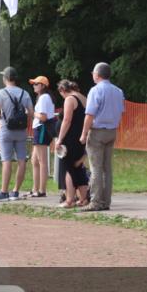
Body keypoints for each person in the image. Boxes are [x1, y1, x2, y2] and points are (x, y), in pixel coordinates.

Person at [80, 62, 125, 212]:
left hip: (97, 131)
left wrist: (84, 133)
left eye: (93, 73)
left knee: (96, 168)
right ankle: (106, 201)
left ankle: (96, 201)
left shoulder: (95, 90)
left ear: (97, 75)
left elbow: (90, 115)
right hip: (112, 131)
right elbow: (121, 111)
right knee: (107, 168)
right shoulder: (118, 91)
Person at [0, 66, 34, 200]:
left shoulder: (1, 93)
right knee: (22, 160)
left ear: (5, 79)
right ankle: (15, 191)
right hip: (21, 130)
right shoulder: (25, 93)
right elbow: (31, 113)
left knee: (6, 160)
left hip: (6, 130)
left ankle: (4, 191)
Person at [54, 79, 89, 207]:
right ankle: (84, 199)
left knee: (67, 169)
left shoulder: (69, 99)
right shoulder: (83, 98)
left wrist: (60, 139)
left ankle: (69, 200)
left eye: (61, 93)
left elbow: (67, 120)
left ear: (63, 90)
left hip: (70, 139)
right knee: (78, 168)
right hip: (80, 138)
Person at [28, 75, 56, 198]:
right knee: (34, 160)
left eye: (36, 84)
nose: (33, 86)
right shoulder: (42, 97)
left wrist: (31, 113)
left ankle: (42, 190)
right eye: (33, 84)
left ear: (43, 86)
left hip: (42, 128)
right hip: (39, 128)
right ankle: (35, 188)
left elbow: (43, 117)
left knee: (41, 161)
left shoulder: (44, 97)